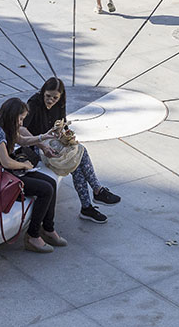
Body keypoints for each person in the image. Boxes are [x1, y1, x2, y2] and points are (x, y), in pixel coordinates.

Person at [19, 77, 121, 224]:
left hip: (53, 143)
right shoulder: (34, 103)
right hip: (36, 146)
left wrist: (67, 136)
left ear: (60, 97)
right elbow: (22, 129)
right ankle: (95, 193)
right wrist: (41, 143)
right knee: (80, 154)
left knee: (77, 157)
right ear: (43, 93)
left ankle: (89, 204)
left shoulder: (59, 104)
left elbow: (63, 125)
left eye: (55, 98)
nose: (50, 100)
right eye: (48, 96)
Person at [0, 97, 65, 253]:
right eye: (20, 119)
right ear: (12, 115)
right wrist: (24, 165)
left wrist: (43, 137)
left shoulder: (2, 124)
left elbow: (21, 139)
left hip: (2, 173)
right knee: (45, 190)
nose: (21, 123)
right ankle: (32, 236)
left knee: (51, 183)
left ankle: (48, 229)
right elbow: (6, 161)